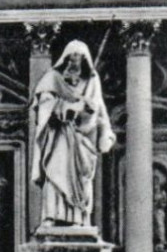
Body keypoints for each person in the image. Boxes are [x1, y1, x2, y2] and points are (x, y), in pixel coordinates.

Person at [31, 40, 116, 230]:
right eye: (72, 56)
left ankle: (78, 218)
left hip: (83, 138)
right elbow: (44, 104)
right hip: (59, 136)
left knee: (81, 179)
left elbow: (99, 109)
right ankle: (51, 216)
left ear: (85, 60)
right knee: (55, 174)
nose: (75, 61)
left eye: (79, 57)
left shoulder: (92, 81)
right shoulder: (53, 77)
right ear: (66, 58)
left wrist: (102, 128)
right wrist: (66, 107)